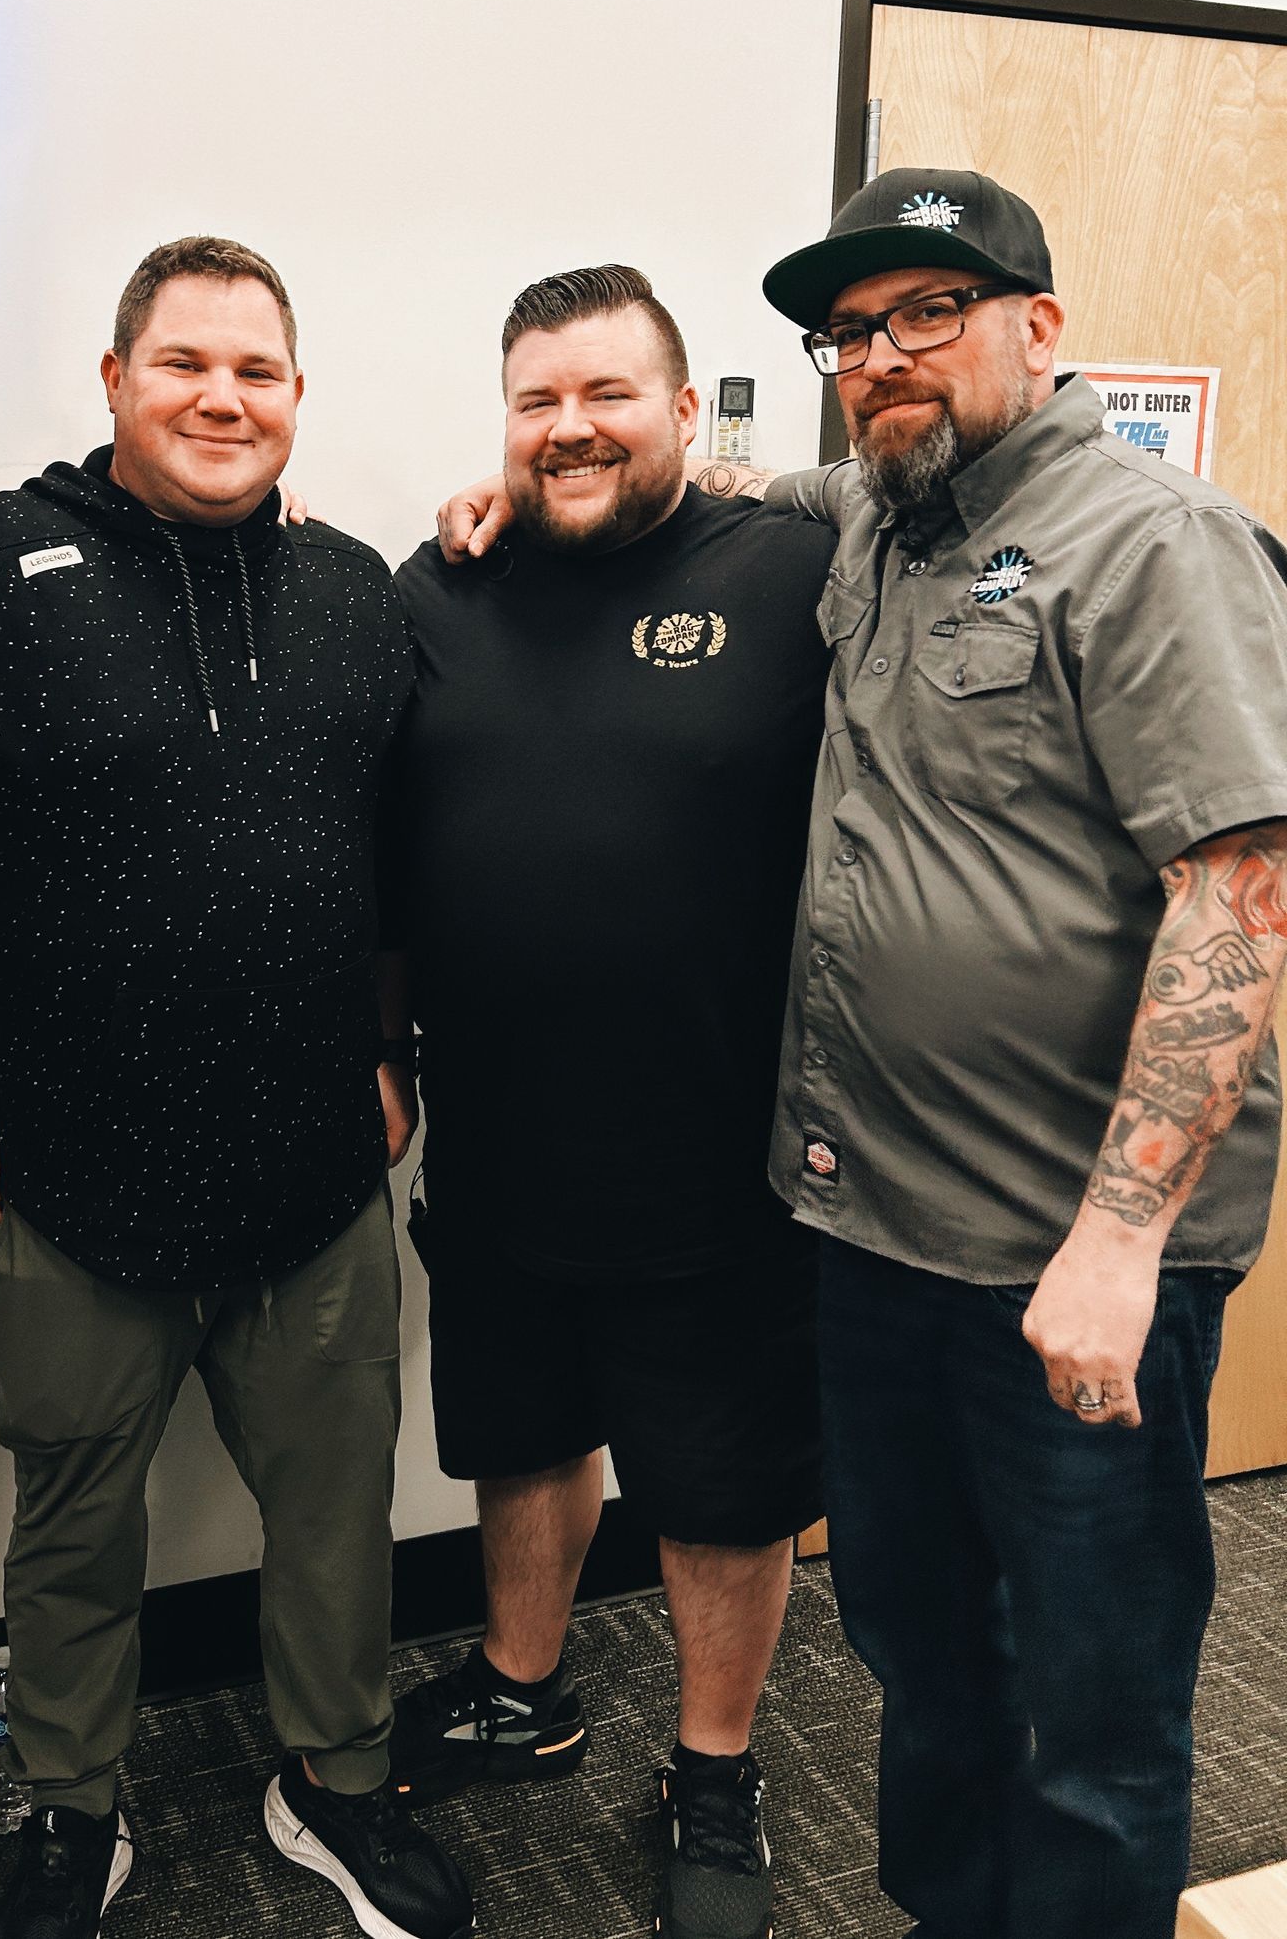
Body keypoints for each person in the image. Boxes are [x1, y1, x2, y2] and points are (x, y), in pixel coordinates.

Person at [440, 169, 1287, 1939]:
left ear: (1040, 328)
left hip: (1066, 1255)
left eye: (931, 312)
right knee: (920, 1653)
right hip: (875, 1229)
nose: (884, 355)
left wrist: (1126, 1238)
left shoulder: (1153, 539)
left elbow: (1239, 888)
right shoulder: (880, 523)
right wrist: (538, 480)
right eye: (852, 330)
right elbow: (704, 479)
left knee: (1091, 1700)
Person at [0, 235, 472, 1939]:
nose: (224, 397)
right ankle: (74, 1802)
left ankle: (339, 1784)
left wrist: (389, 1055)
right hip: (60, 1159)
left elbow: (397, 859)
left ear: (297, 394)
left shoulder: (359, 589)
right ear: (117, 380)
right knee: (73, 1512)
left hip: (312, 1160)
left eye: (259, 370)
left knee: (339, 1503)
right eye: (186, 364)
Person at [386, 266, 833, 1939]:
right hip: (496, 1134)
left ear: (687, 408)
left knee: (721, 1479)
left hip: (719, 1144)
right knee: (524, 1426)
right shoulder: (442, 584)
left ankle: (713, 1763)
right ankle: (524, 1679)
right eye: (535, 401)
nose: (568, 427)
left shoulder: (792, 567)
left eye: (606, 395)